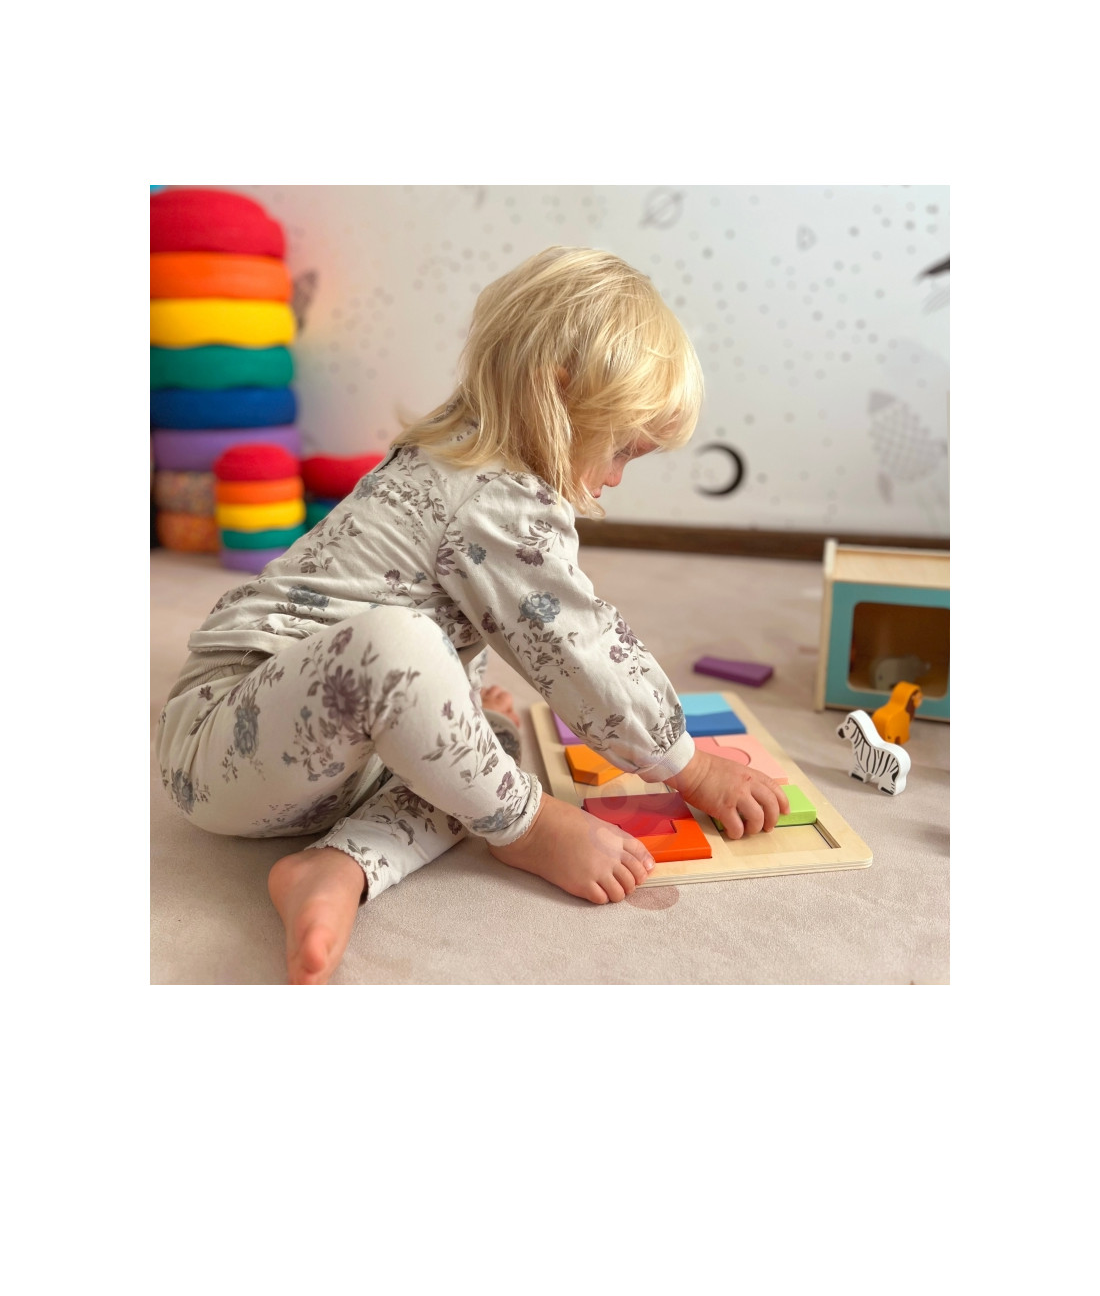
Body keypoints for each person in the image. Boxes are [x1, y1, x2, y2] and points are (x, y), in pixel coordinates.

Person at [156, 246, 788, 984]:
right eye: (621, 449)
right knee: (403, 653)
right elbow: (579, 646)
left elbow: (457, 608)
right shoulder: (495, 493)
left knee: (486, 746)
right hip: (219, 735)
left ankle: (341, 866)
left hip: (313, 770)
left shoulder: (463, 464)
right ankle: (526, 828)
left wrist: (460, 695)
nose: (616, 477)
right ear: (559, 388)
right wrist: (688, 764)